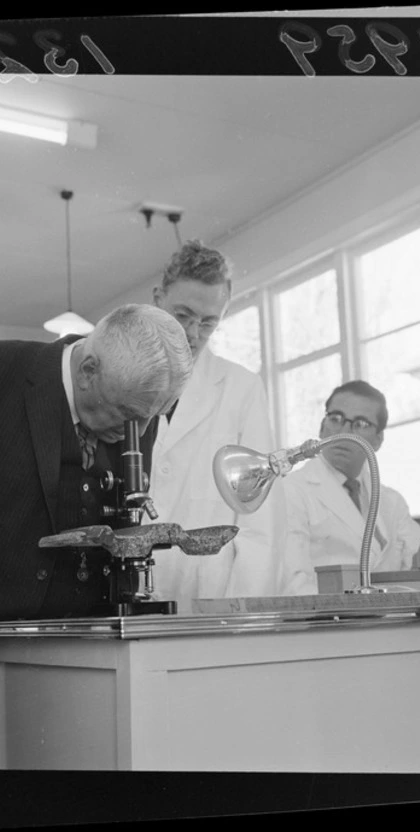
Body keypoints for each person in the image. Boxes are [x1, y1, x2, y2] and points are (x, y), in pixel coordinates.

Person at [0, 304, 192, 768]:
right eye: (128, 414)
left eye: (152, 417)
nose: (139, 432)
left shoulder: (133, 407)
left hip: (78, 678)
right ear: (88, 370)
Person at [148, 240, 286, 614]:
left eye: (208, 323)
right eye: (183, 315)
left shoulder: (241, 388)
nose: (193, 334)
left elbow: (259, 518)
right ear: (158, 299)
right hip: (128, 585)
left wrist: (243, 614)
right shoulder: (122, 375)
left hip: (207, 591)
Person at [280, 380, 420, 595]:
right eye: (336, 419)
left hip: (393, 618)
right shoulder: (291, 491)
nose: (344, 431)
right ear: (321, 427)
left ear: (378, 439)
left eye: (361, 423)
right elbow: (293, 581)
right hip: (331, 622)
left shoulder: (392, 502)